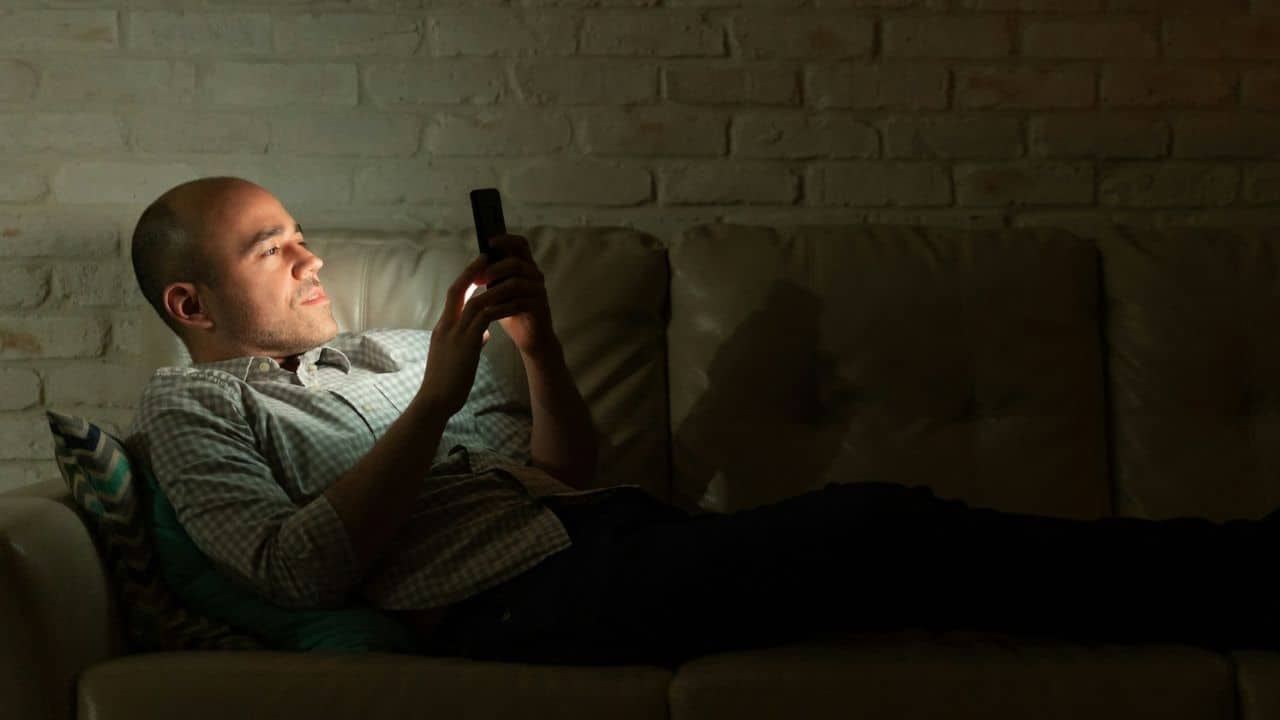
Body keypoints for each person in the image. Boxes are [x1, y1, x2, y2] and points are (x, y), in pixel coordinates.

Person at [129, 176, 1279, 667]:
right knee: (880, 529)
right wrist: (435, 395)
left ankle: (1227, 574)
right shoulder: (194, 410)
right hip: (504, 605)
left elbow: (560, 468)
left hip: (605, 535)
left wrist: (535, 351)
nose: (307, 255)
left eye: (297, 231)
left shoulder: (373, 351)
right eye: (268, 248)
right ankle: (1242, 575)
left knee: (891, 542)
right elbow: (296, 569)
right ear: (192, 302)